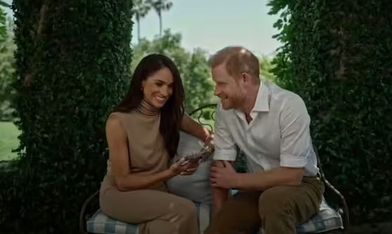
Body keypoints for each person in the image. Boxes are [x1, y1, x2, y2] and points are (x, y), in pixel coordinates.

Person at [205, 46, 324, 234]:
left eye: (221, 84)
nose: (216, 91)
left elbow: (292, 176)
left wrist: (236, 180)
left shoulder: (289, 105)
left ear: (244, 79)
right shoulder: (225, 110)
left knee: (273, 201)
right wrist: (221, 217)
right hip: (255, 188)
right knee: (221, 227)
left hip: (303, 185)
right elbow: (222, 172)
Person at [99, 54, 212, 234]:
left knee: (166, 228)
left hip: (156, 193)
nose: (165, 92)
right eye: (159, 84)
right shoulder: (118, 122)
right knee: (186, 209)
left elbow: (209, 137)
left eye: (170, 86)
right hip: (120, 195)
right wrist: (170, 172)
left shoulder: (172, 116)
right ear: (141, 83)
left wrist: (201, 157)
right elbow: (123, 182)